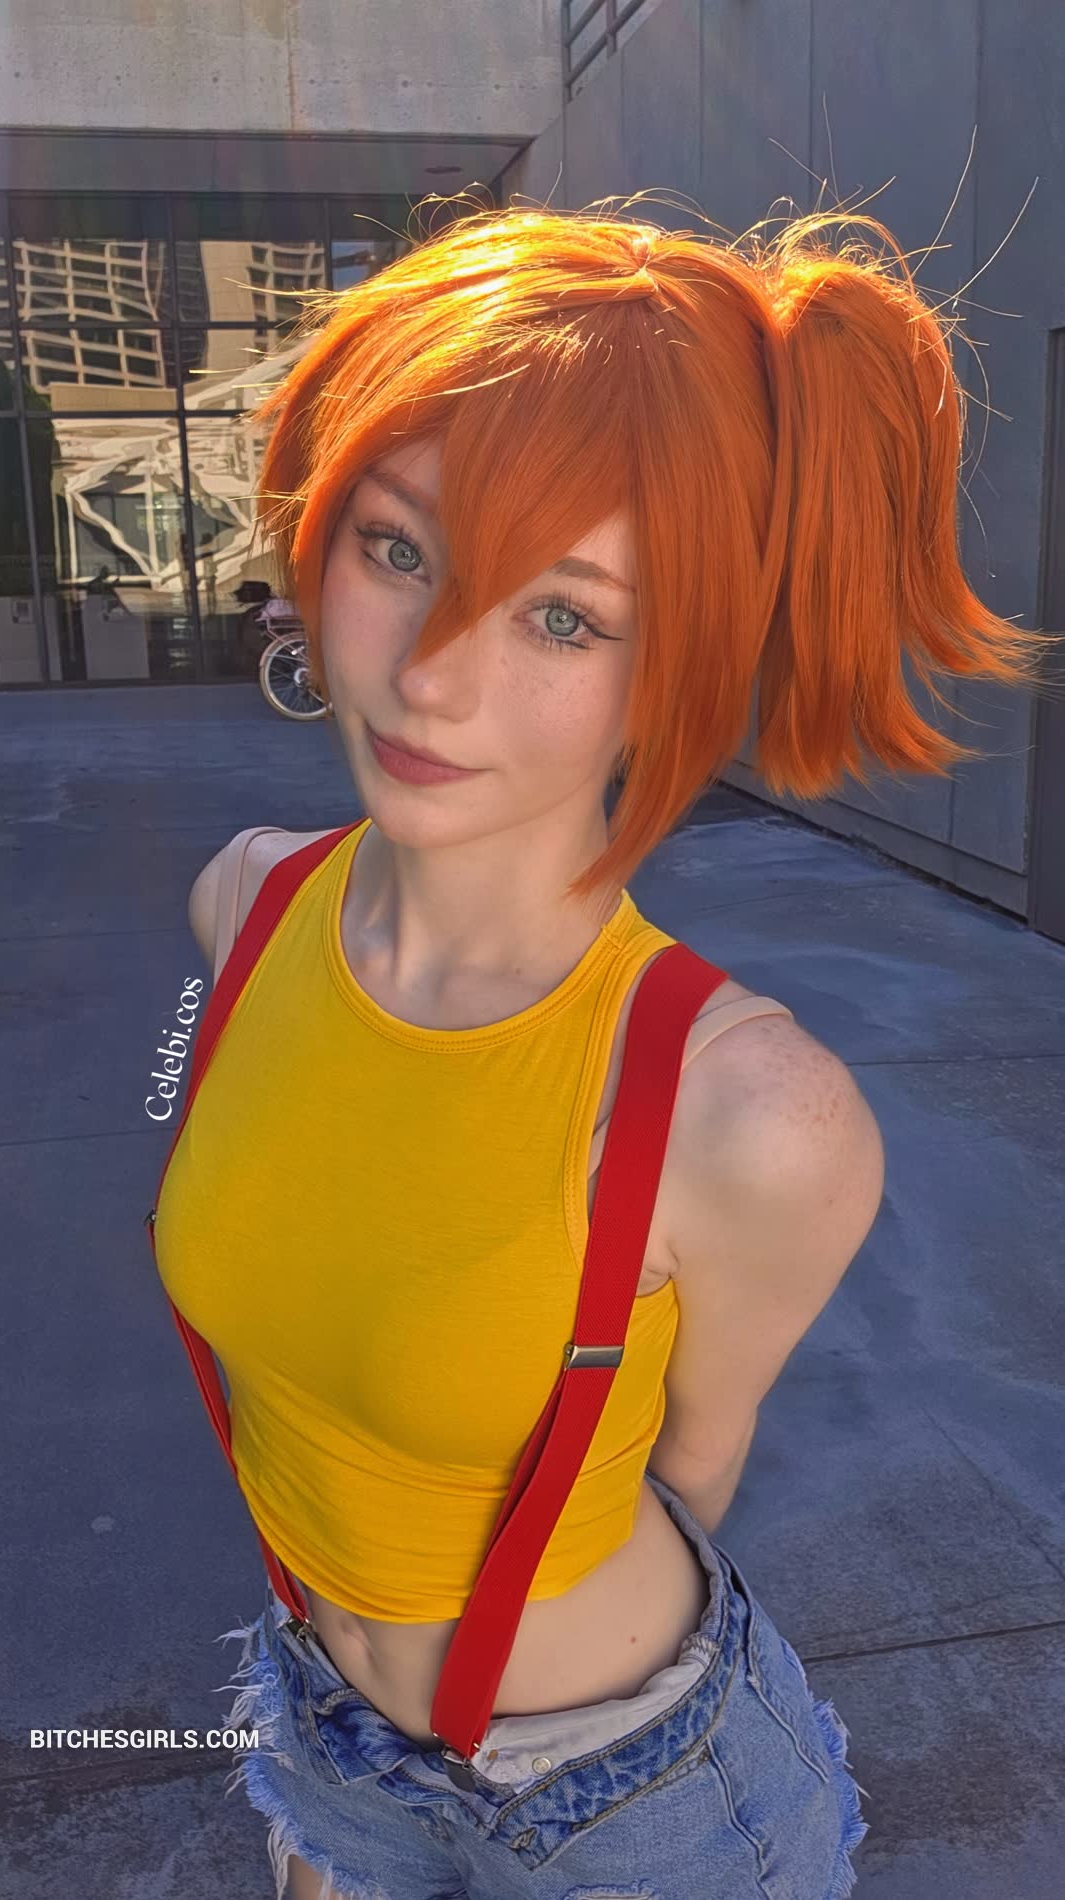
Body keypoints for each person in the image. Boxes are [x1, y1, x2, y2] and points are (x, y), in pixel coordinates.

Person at [150, 201, 1051, 1899]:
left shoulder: (748, 1110)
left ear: (682, 663)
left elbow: (690, 1468)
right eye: (398, 548)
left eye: (564, 618)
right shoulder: (246, 905)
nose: (433, 678)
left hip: (632, 1806)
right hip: (322, 1724)